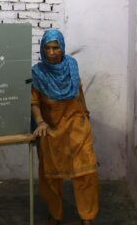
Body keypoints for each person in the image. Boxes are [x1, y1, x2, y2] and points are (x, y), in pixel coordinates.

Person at [31, 29, 99, 225]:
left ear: (62, 47)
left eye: (56, 47)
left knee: (86, 173)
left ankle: (87, 216)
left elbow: (78, 90)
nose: (52, 52)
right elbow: (34, 101)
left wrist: (85, 113)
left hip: (77, 128)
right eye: (48, 48)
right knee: (51, 176)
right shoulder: (37, 73)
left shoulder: (71, 65)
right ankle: (55, 214)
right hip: (51, 130)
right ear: (42, 49)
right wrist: (41, 122)